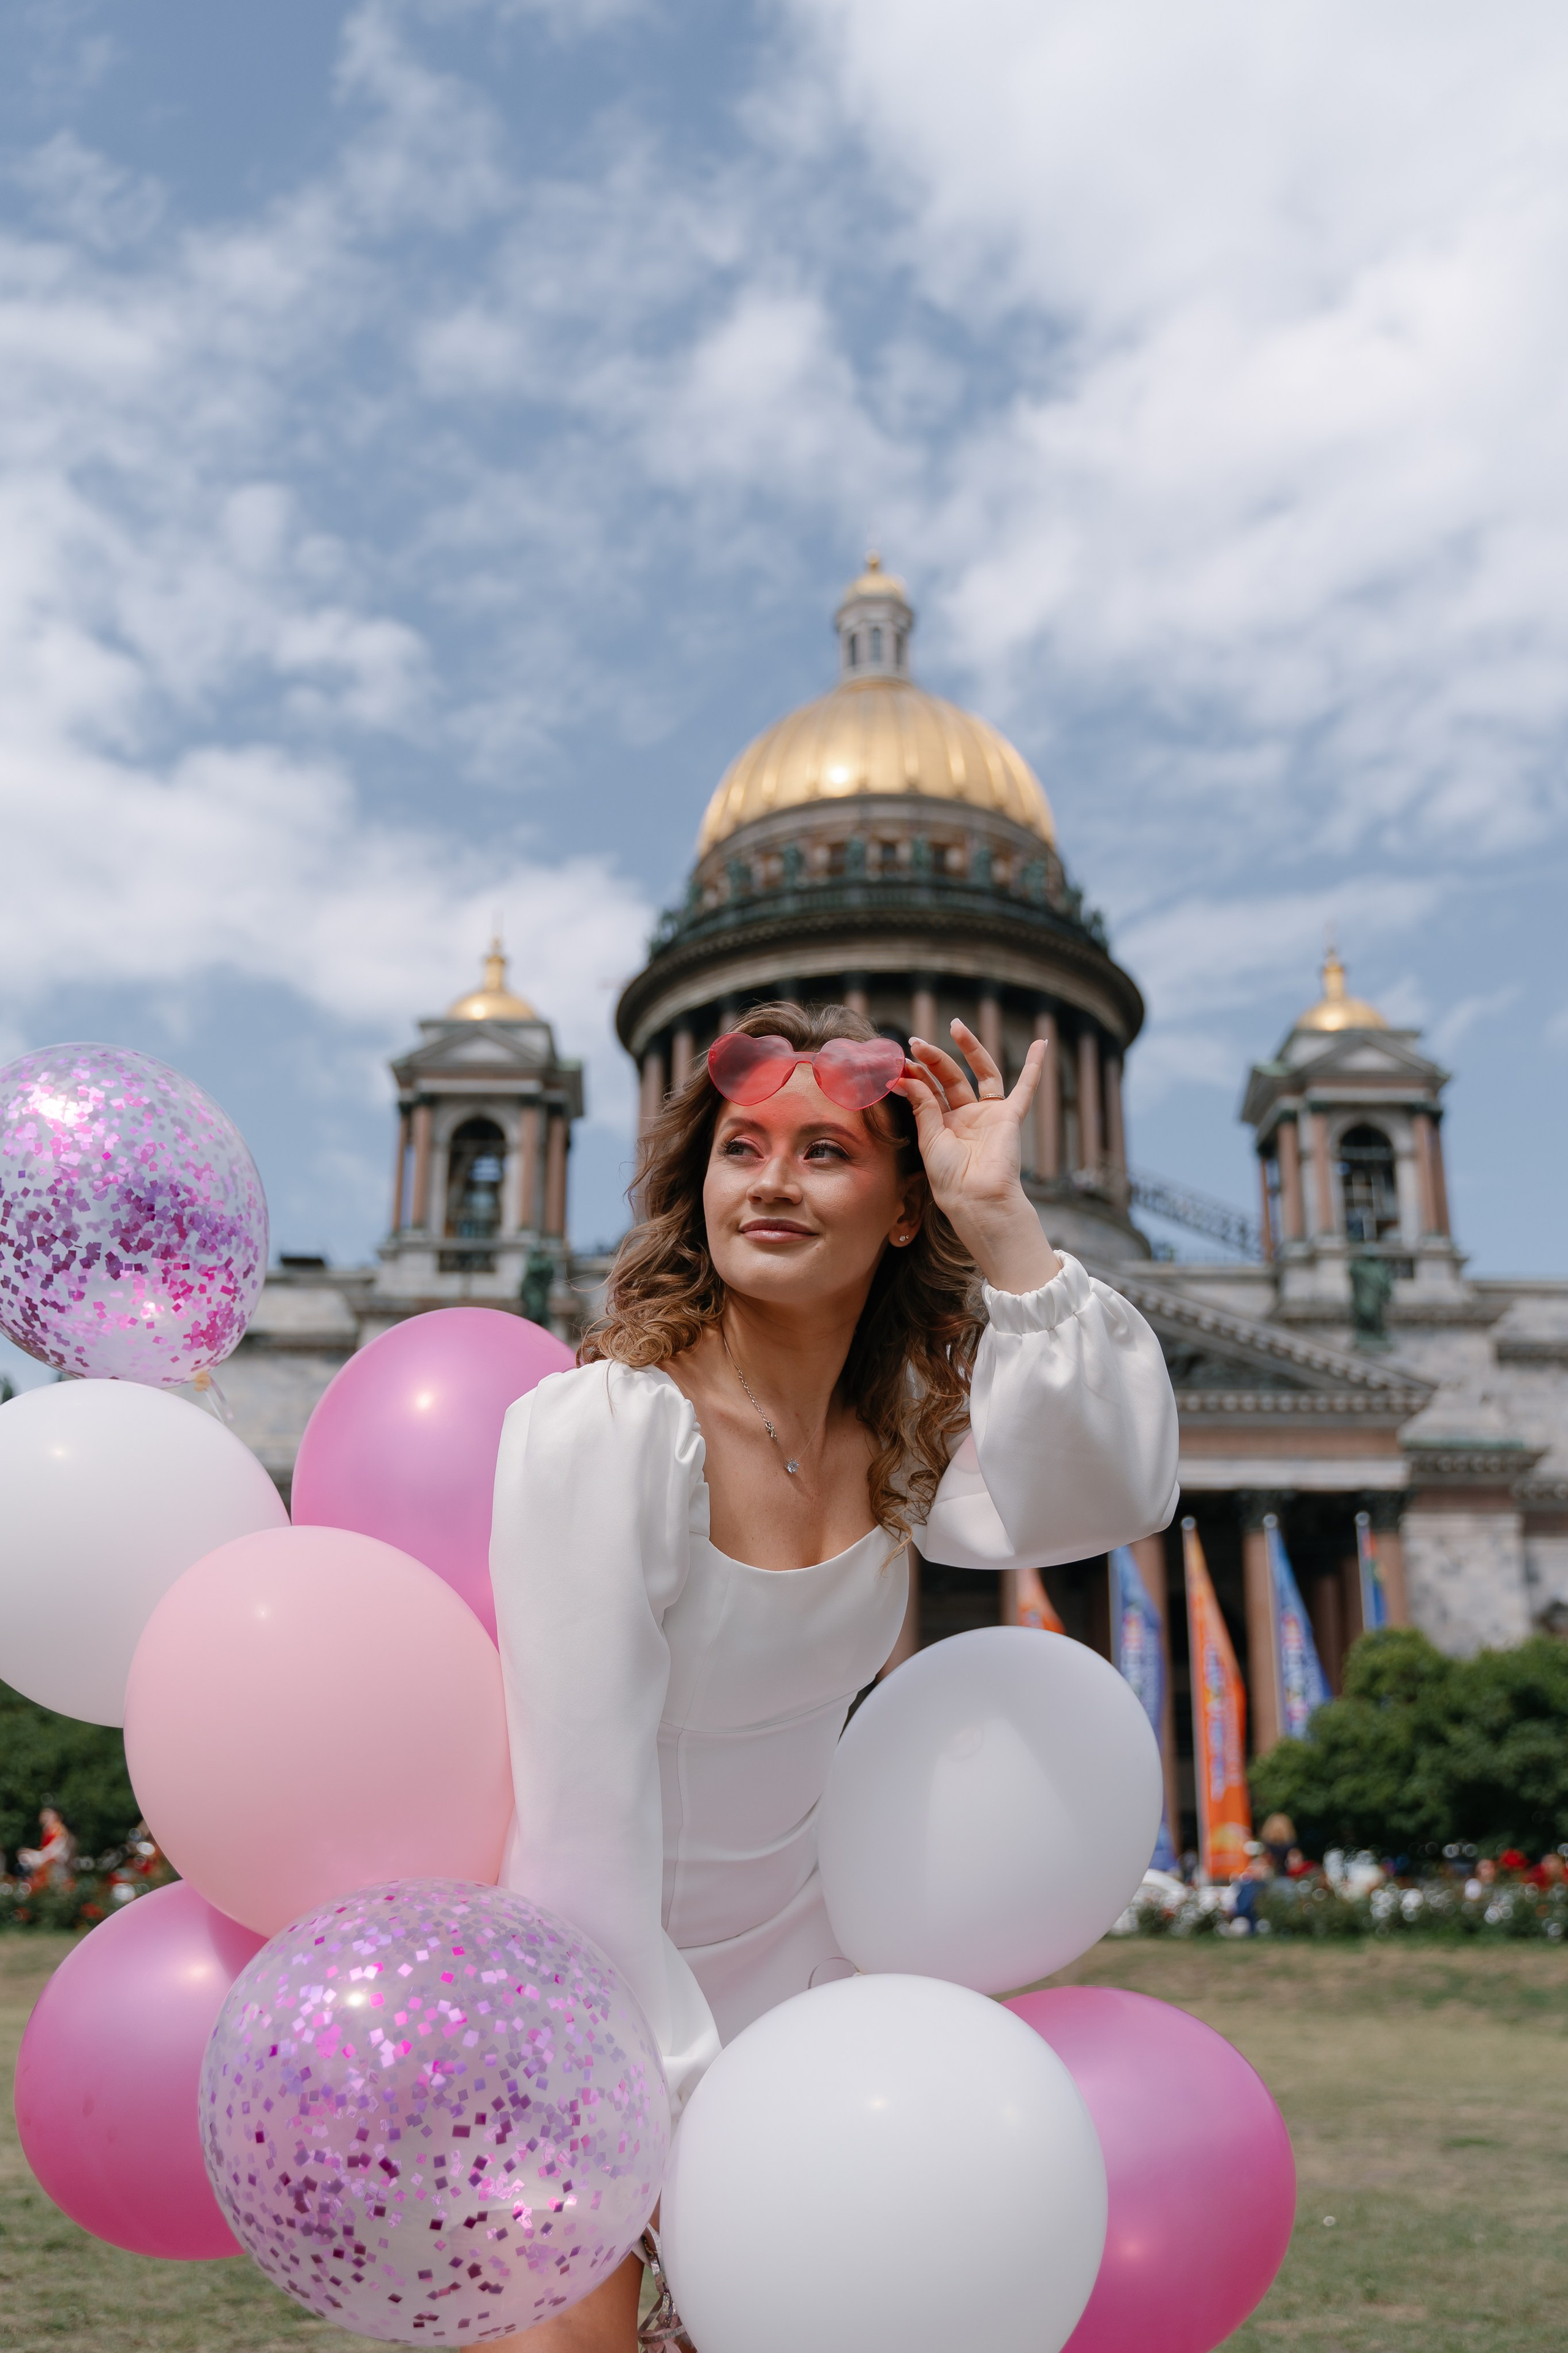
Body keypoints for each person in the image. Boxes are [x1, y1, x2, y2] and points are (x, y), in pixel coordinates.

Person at [488, 1003, 1180, 2352]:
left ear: (902, 1206)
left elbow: (1107, 1488)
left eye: (823, 1152)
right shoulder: (605, 1430)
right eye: (742, 1146)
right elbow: (577, 1834)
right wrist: (694, 2117)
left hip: (814, 2002)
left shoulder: (903, 1440)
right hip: (604, 2016)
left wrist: (1005, 1224)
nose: (770, 1181)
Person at [17, 1806, 75, 1893]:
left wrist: (36, 1856)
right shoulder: (49, 1831)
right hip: (49, 1867)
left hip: (57, 1869)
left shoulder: (59, 1831)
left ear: (58, 1816)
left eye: (48, 1814)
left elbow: (56, 1853)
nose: (44, 1817)